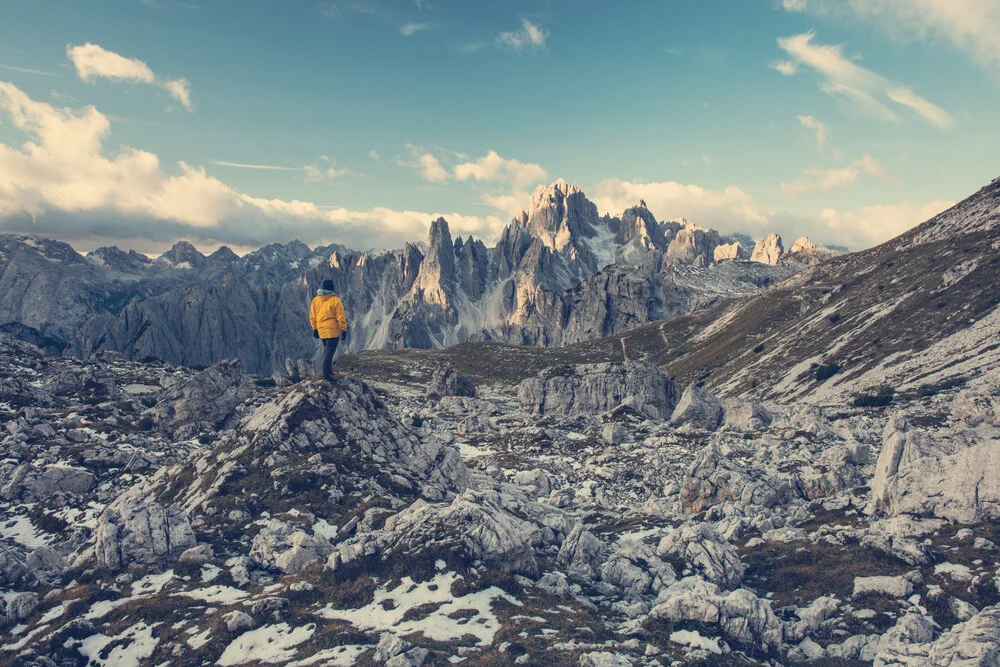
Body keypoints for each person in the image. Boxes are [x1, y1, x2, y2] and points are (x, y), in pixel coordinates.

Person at [309, 279, 348, 381]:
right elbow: (340, 316)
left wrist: (315, 329)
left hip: (321, 330)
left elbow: (312, 316)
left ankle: (329, 372)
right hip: (332, 330)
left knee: (327, 350)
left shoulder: (316, 300)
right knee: (330, 352)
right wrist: (343, 329)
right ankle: (326, 374)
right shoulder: (335, 300)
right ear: (331, 288)